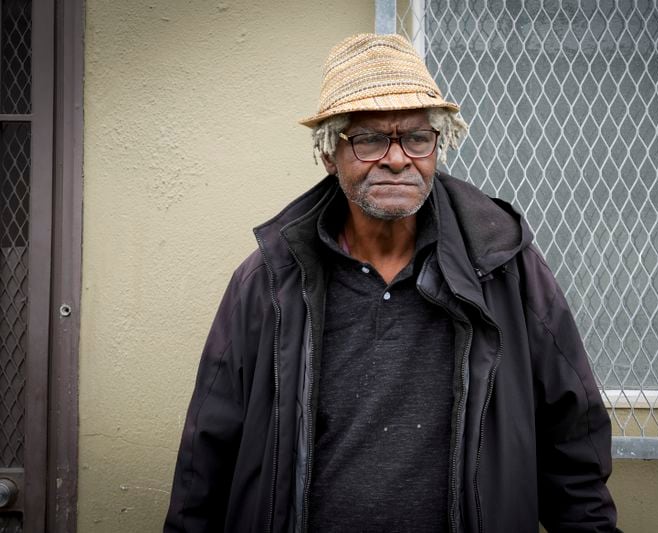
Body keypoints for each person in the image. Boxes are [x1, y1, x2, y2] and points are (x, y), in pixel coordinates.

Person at [164, 33, 618, 532]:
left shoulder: (504, 268)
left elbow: (571, 444)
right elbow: (206, 456)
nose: (398, 159)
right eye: (369, 139)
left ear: (436, 147)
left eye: (417, 138)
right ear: (328, 154)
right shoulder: (270, 279)